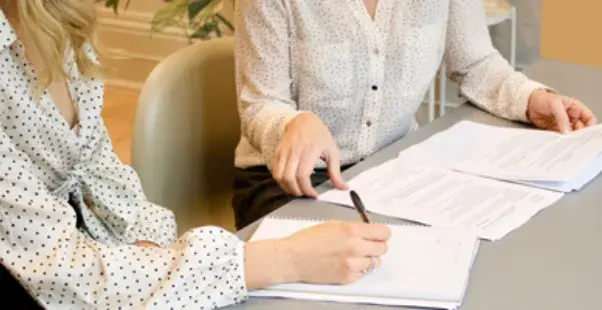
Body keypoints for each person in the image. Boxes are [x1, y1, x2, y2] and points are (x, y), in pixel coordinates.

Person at [0, 1, 392, 308]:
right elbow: (60, 270)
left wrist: (152, 253)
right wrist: (284, 259)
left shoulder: (58, 22)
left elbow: (104, 177)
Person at [232, 0, 598, 229]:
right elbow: (260, 104)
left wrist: (531, 99)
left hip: (392, 172)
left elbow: (476, 64)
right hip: (287, 183)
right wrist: (293, 124)